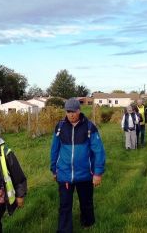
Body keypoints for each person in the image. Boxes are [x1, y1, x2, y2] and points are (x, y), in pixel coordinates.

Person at [50, 98, 106, 232]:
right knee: (64, 205)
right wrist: (54, 169)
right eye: (68, 112)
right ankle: (64, 230)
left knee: (86, 202)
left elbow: (98, 150)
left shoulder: (89, 127)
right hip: (64, 173)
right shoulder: (60, 127)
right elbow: (54, 149)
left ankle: (88, 224)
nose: (71, 115)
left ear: (79, 111)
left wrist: (97, 173)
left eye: (73, 111)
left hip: (85, 173)